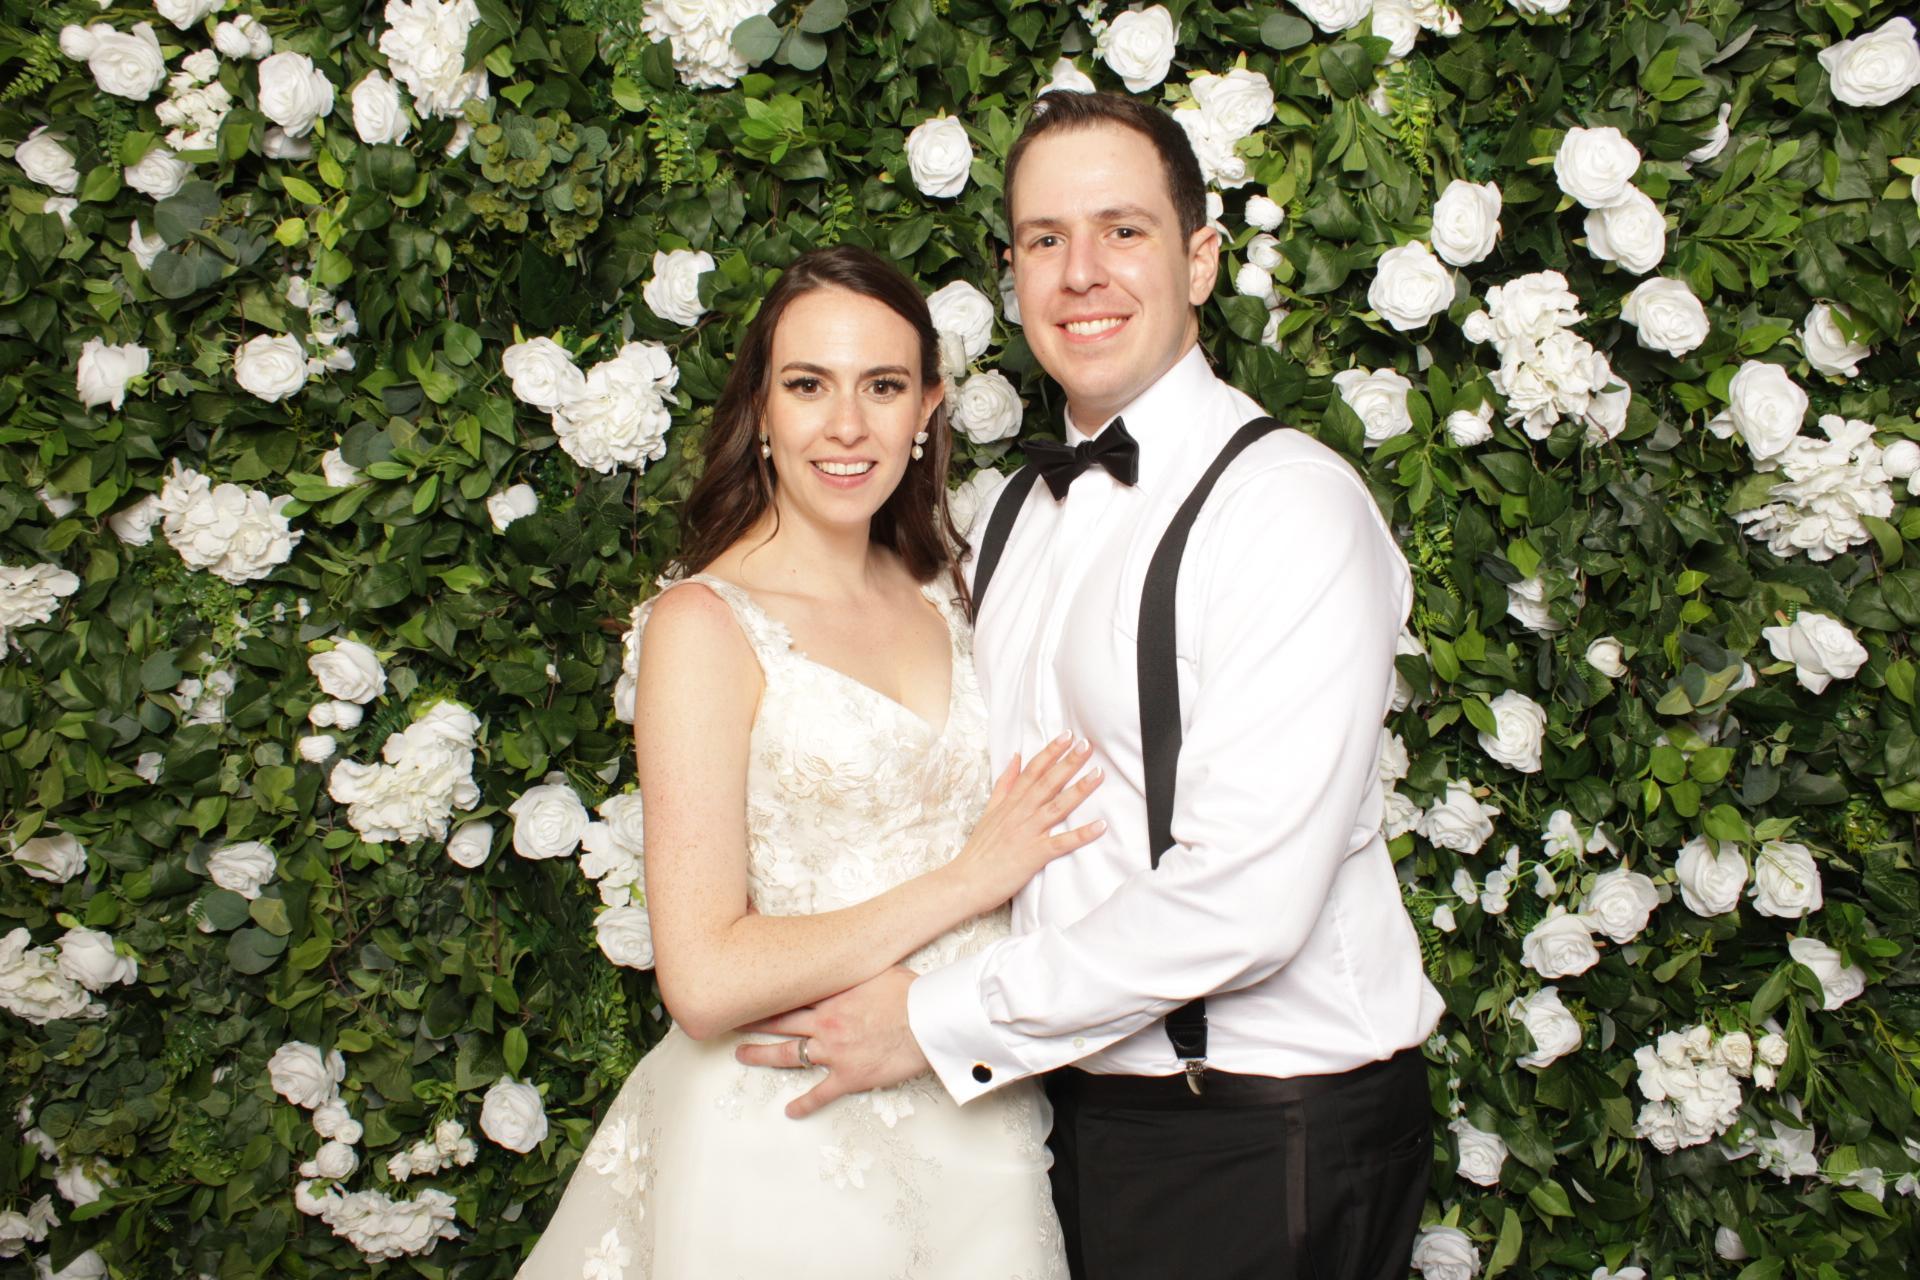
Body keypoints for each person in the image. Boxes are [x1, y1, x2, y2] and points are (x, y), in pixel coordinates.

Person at [737, 94, 1446, 1279]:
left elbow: (1245, 900)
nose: (1082, 274)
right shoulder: (1011, 512)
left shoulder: (1289, 509)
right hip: (1054, 1117)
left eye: (1123, 230)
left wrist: (934, 1016)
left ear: (1200, 260)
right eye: (1045, 239)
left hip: (1260, 1125)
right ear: (1014, 276)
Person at [513, 246, 1098, 1278]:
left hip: (979, 1127)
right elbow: (703, 977)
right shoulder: (705, 624)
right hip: (784, 1139)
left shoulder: (953, 594)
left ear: (927, 409)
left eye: (883, 386)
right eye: (808, 385)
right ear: (761, 408)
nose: (846, 426)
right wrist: (967, 880)